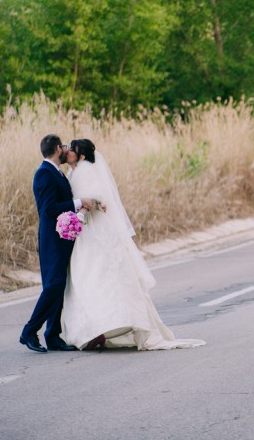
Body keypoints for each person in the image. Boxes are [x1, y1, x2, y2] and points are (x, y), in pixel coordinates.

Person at [60, 139, 205, 351]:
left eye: (72, 149)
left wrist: (79, 215)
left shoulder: (84, 170)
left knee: (98, 275)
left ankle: (100, 329)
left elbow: (94, 197)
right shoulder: (74, 172)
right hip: (88, 233)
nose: (68, 151)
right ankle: (96, 329)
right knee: (89, 277)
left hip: (96, 231)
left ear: (80, 155)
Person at [19, 134, 95, 353]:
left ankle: (52, 335)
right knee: (53, 285)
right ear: (56, 149)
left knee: (58, 285)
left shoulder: (56, 172)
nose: (65, 149)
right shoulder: (44, 173)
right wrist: (79, 203)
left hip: (61, 239)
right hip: (52, 240)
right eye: (63, 146)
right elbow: (49, 208)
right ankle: (29, 331)